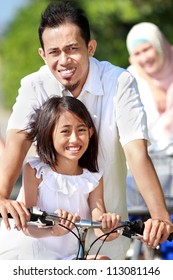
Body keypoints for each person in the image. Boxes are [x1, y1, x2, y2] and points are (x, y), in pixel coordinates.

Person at [0, 1, 172, 260]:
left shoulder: (119, 82)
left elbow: (136, 152)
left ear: (90, 48)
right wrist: (2, 195)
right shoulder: (35, 85)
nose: (64, 60)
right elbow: (17, 140)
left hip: (104, 227)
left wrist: (159, 216)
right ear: (43, 55)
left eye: (72, 49)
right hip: (42, 235)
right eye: (54, 52)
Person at [0, 96, 120, 260]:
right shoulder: (35, 170)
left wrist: (109, 225)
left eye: (81, 130)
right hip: (31, 252)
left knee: (103, 261)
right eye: (65, 131)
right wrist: (52, 230)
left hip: (66, 256)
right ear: (49, 134)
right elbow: (26, 225)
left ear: (90, 133)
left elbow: (99, 227)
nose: (74, 139)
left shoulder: (93, 179)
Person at [126, 22, 173, 259]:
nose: (144, 58)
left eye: (148, 49)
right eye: (137, 53)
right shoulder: (130, 79)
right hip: (142, 177)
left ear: (160, 45)